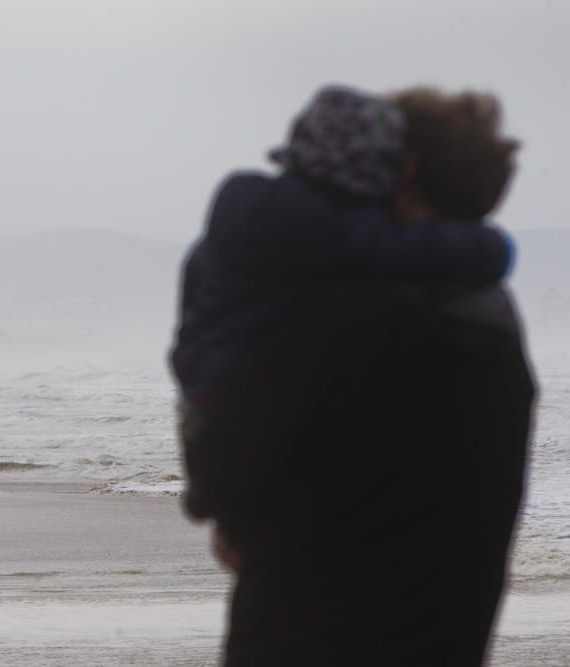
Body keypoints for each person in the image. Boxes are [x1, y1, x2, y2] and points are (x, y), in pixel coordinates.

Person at [171, 86, 535, 665]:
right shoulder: (495, 324)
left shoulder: (348, 319)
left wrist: (226, 508)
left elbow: (227, 465)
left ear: (406, 168)